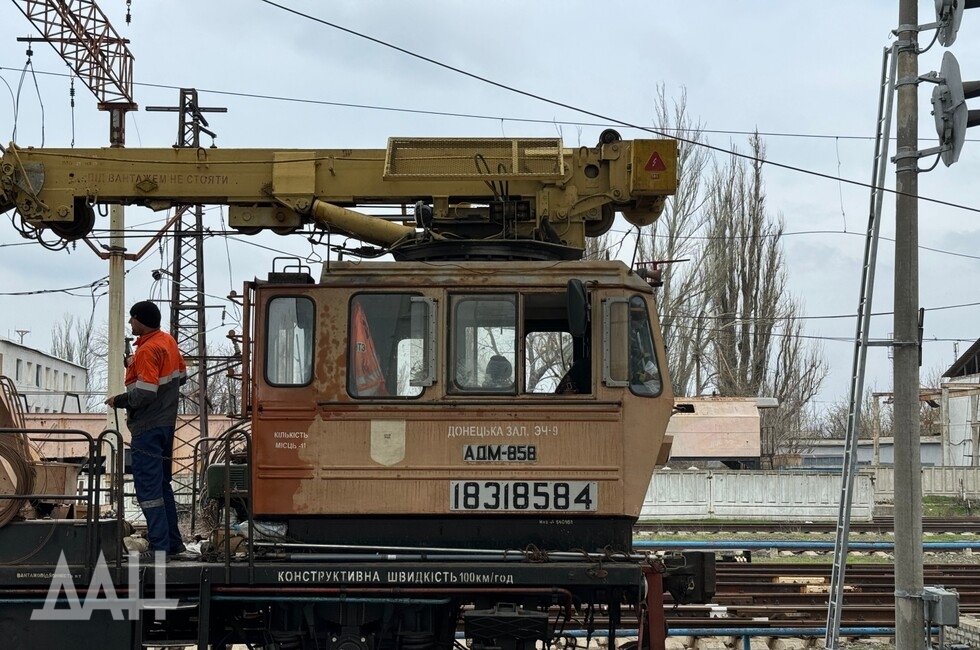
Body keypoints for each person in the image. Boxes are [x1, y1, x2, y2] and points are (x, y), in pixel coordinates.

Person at [105, 300, 189, 560]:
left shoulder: (147, 350)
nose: (130, 322)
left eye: (132, 318)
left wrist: (119, 400)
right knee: (162, 487)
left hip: (147, 427)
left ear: (141, 320)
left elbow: (145, 393)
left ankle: (160, 548)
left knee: (149, 491)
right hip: (166, 424)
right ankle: (173, 544)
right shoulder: (167, 342)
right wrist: (135, 364)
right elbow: (181, 376)